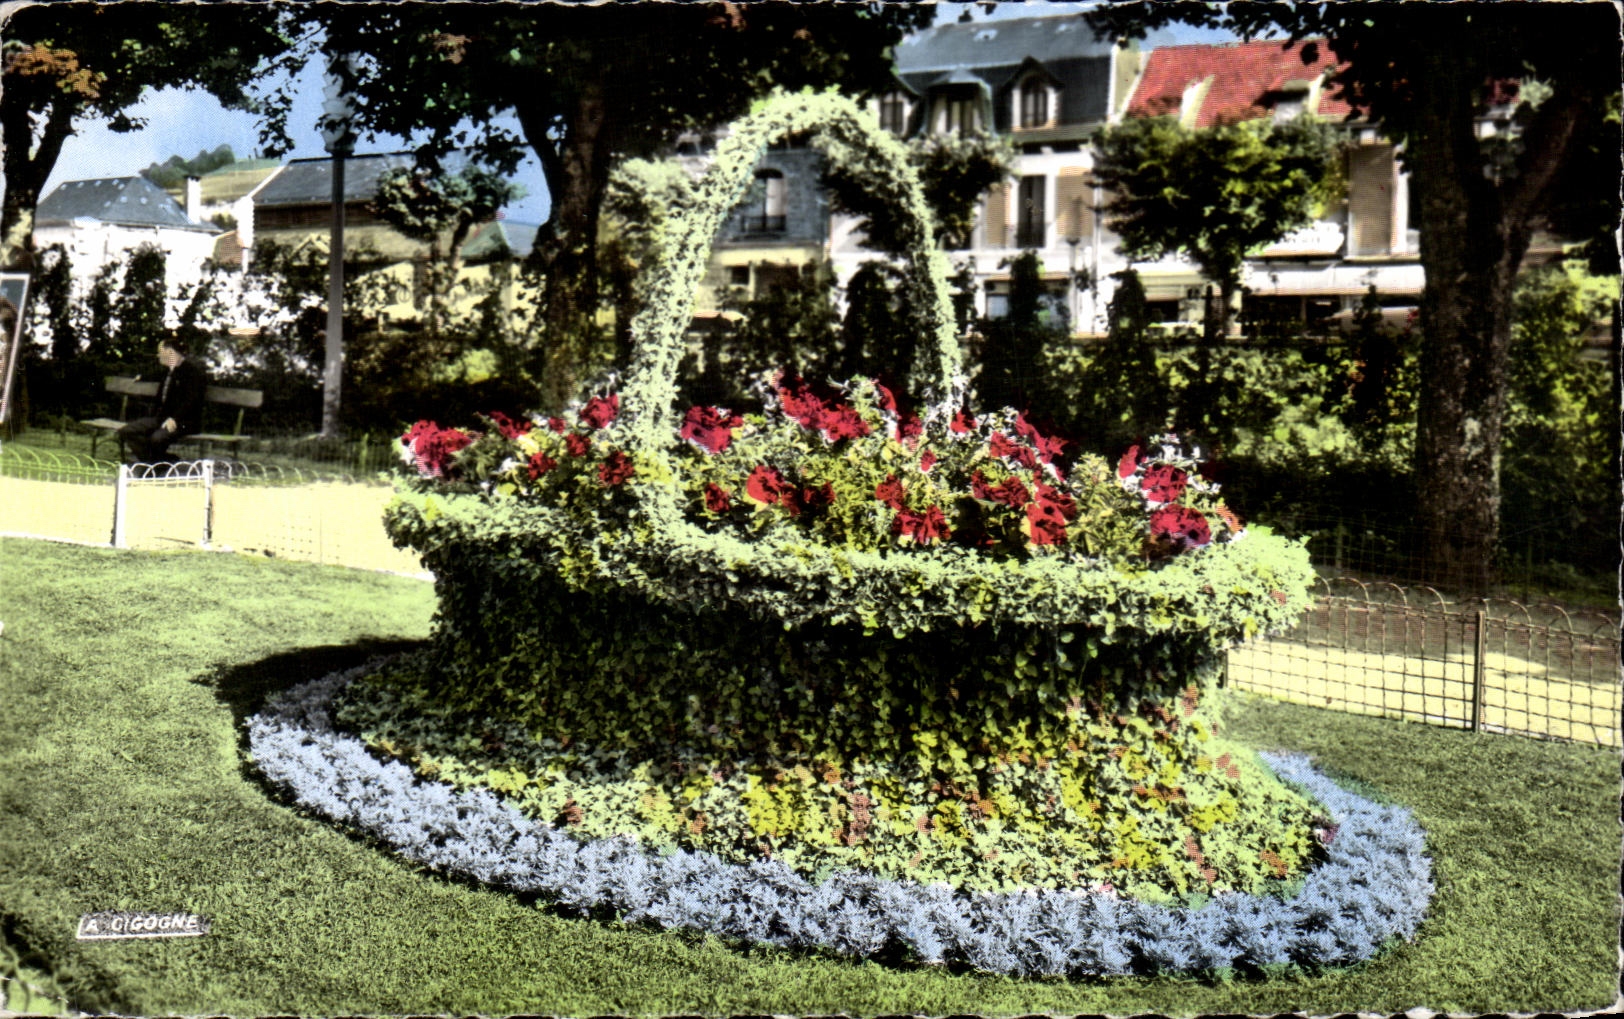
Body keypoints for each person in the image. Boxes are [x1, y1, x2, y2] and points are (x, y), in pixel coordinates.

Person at [119, 332, 207, 463]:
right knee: (127, 431)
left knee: (157, 438)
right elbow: (155, 374)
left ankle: (154, 466)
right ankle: (167, 462)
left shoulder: (192, 373)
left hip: (184, 422)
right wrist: (141, 377)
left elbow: (191, 401)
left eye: (160, 351)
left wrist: (175, 419)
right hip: (162, 418)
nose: (158, 355)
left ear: (170, 351)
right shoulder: (168, 370)